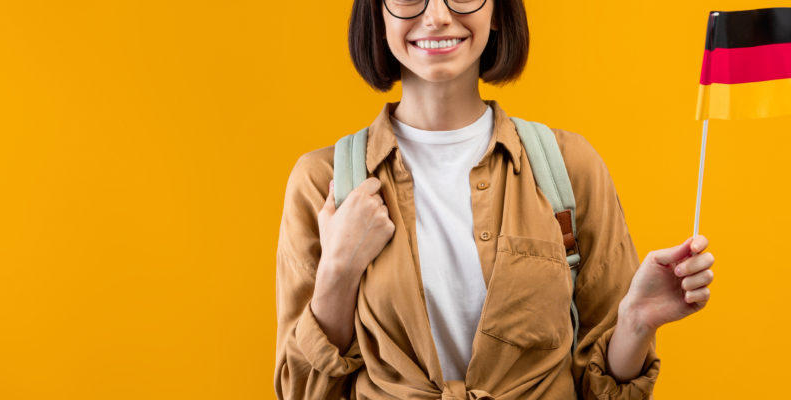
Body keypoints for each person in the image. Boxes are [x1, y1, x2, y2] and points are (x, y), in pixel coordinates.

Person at [274, 0, 716, 398]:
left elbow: (604, 390)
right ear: (378, 14)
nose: (437, 16)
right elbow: (300, 392)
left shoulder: (568, 167)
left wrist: (637, 321)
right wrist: (338, 270)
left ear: (499, 11)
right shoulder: (324, 181)